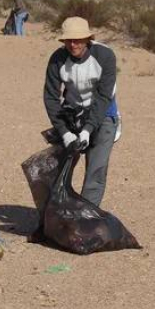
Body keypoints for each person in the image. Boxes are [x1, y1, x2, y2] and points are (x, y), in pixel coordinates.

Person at [43, 16, 119, 207]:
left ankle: (86, 216)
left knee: (96, 170)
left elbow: (104, 96)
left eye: (78, 39)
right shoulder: (57, 60)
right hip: (71, 112)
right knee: (59, 166)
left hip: (103, 113)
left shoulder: (105, 56)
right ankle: (56, 212)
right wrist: (65, 132)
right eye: (69, 40)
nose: (73, 44)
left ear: (88, 39)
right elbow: (51, 97)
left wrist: (88, 129)